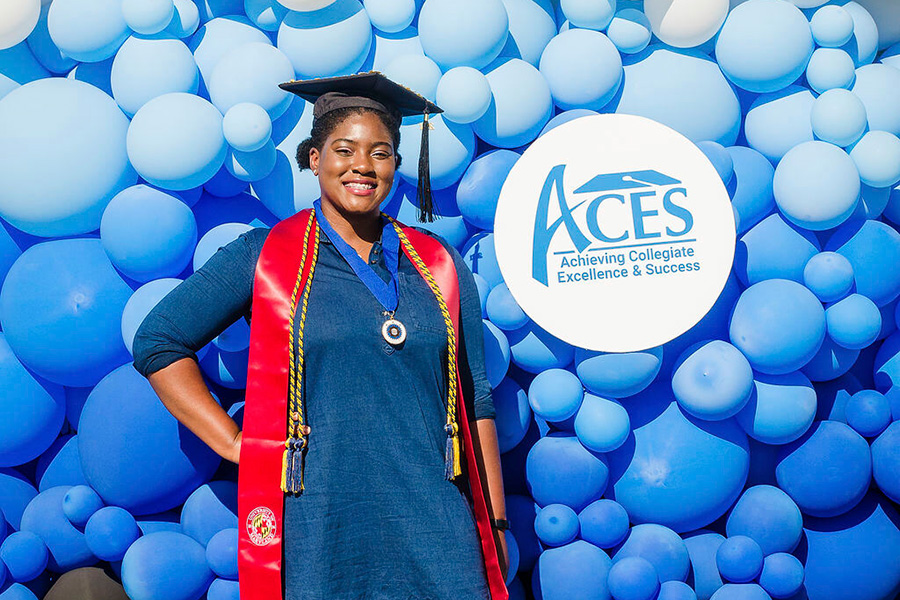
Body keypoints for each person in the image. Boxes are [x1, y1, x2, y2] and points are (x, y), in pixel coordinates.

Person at [132, 72, 510, 600]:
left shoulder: (438, 264)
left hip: (437, 523)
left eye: (380, 152)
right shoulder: (267, 257)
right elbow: (158, 341)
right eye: (344, 149)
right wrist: (238, 443)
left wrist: (495, 520)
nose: (362, 165)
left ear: (396, 166)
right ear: (314, 158)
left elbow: (476, 398)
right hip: (322, 524)